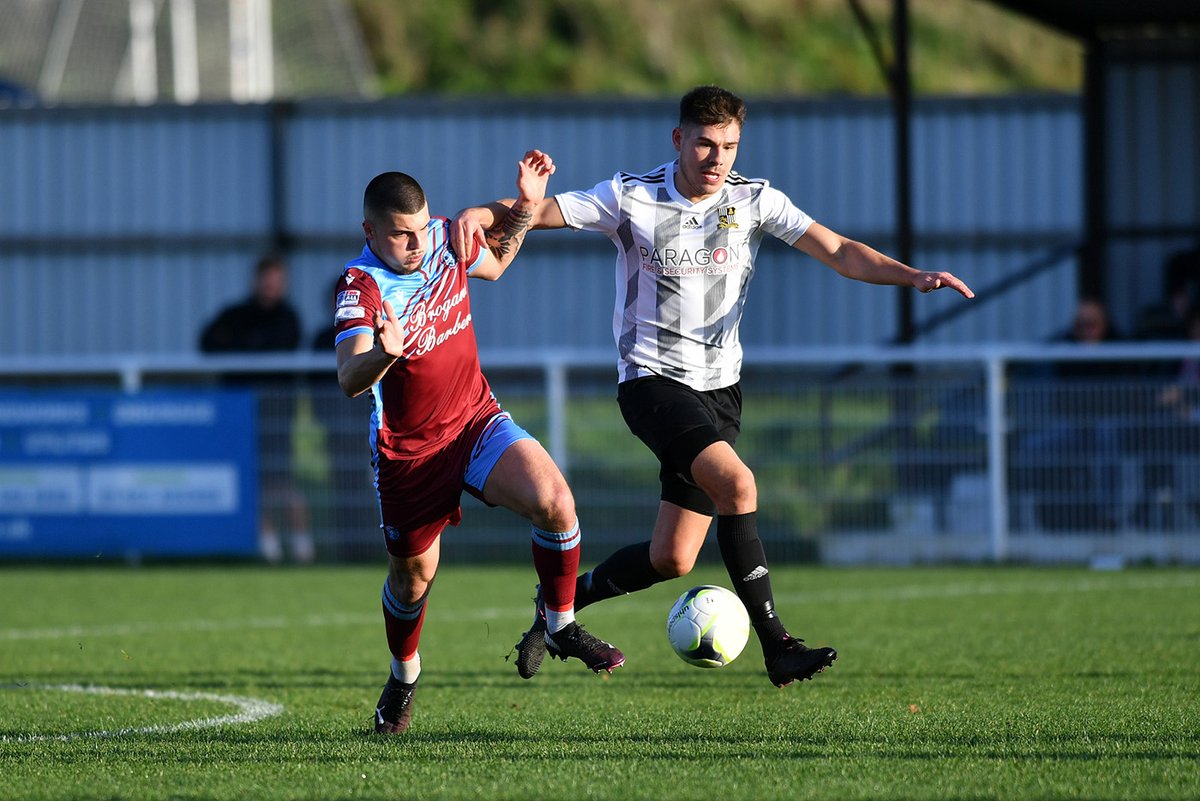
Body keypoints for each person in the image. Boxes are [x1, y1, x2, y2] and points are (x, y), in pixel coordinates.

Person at [453, 85, 974, 688]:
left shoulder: (755, 200)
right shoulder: (631, 197)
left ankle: (555, 610)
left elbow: (838, 250)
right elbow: (540, 212)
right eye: (705, 143)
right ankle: (778, 645)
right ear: (679, 139)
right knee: (739, 483)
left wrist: (914, 277)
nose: (716, 157)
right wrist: (484, 213)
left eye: (728, 145)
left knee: (672, 557)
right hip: (651, 383)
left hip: (721, 392)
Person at [332, 151, 624, 735]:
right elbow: (347, 377)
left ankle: (560, 623)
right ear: (370, 231)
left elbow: (495, 264)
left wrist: (523, 200)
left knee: (555, 500)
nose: (415, 245)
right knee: (412, 579)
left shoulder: (441, 239)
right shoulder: (360, 285)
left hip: (475, 420)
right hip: (410, 454)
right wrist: (385, 352)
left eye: (420, 229)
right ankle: (404, 676)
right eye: (399, 235)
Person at [199, 254, 314, 564]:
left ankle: (303, 547)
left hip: (276, 413)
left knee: (283, 480)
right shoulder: (236, 314)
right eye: (266, 280)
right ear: (256, 281)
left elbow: (279, 346)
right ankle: (268, 547)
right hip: (241, 414)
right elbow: (208, 342)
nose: (269, 287)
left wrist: (246, 346)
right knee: (252, 480)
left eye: (276, 281)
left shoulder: (288, 317)